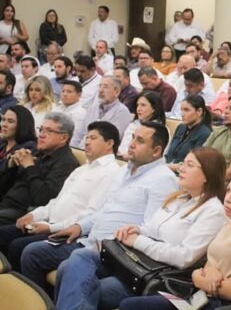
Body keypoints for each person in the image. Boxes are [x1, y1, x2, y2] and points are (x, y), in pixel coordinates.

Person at [54, 147, 228, 310]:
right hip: (136, 259)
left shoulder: (213, 211)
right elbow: (151, 228)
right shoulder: (178, 198)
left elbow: (184, 257)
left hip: (156, 274)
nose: (181, 168)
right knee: (79, 258)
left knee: (74, 280)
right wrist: (136, 230)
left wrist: (138, 241)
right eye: (183, 163)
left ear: (207, 175)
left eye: (190, 165)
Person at [20, 121, 178, 291]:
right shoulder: (124, 171)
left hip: (116, 253)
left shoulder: (163, 179)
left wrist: (111, 243)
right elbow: (104, 211)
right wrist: (79, 226)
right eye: (133, 137)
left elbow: (151, 230)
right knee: (32, 253)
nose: (131, 144)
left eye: (140, 141)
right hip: (89, 241)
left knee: (71, 265)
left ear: (156, 151)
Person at [119, 168, 231, 310]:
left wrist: (199, 278)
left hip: (220, 303)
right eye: (229, 191)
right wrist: (205, 274)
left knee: (131, 306)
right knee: (130, 304)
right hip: (199, 296)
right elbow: (209, 265)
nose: (228, 199)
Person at [0, 121, 121, 271]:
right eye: (86, 137)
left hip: (68, 232)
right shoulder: (82, 169)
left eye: (93, 138)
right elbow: (56, 202)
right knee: (3, 234)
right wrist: (34, 215)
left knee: (21, 247)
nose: (87, 142)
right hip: (49, 222)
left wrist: (50, 228)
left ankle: (20, 285)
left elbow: (91, 214)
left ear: (109, 143)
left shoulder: (111, 173)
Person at [0, 112, 79, 224]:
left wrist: (29, 167)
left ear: (64, 138)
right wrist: (11, 165)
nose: (41, 135)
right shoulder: (37, 153)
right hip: (6, 204)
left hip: (24, 214)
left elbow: (43, 198)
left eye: (49, 131)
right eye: (41, 130)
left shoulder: (66, 163)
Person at [71, 76, 133, 148]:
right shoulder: (93, 108)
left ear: (117, 92)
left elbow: (111, 140)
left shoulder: (122, 112)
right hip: (80, 149)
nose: (101, 90)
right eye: (100, 86)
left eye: (106, 87)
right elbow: (79, 134)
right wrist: (72, 149)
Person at [165, 95, 212, 169]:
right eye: (182, 110)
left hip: (183, 172)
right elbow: (168, 154)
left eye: (186, 110)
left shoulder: (205, 134)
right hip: (167, 168)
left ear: (199, 111)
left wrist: (168, 167)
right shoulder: (181, 127)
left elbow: (194, 164)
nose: (182, 114)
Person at [118, 91, 165, 160]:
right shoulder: (134, 124)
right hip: (120, 158)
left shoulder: (160, 130)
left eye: (143, 105)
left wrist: (130, 157)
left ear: (154, 109)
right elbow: (122, 147)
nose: (138, 109)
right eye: (137, 105)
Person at [0, 106, 37, 194]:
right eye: (3, 120)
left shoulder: (28, 148)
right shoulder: (3, 144)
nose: (4, 124)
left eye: (10, 121)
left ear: (22, 126)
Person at [52, 81, 87, 145]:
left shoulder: (80, 112)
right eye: (63, 91)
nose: (65, 94)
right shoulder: (56, 109)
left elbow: (75, 137)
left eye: (69, 92)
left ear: (79, 95)